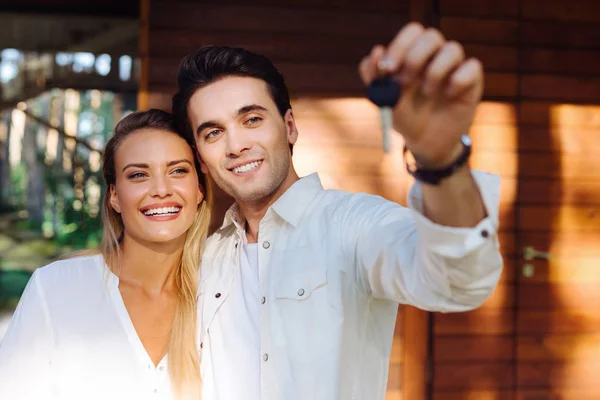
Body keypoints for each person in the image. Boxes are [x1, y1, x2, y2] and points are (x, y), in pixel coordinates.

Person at [172, 22, 503, 399]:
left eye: (252, 119)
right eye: (213, 132)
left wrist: (441, 161)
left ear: (290, 126)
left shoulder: (354, 224)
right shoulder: (205, 256)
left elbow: (458, 281)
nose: (236, 145)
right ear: (200, 157)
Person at [0, 109, 211, 400]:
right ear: (114, 196)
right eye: (139, 175)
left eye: (177, 171)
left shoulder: (220, 295)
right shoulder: (54, 288)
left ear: (199, 189)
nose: (161, 189)